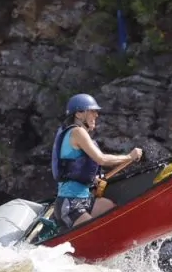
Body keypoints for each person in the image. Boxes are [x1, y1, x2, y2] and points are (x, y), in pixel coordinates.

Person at [50, 94, 143, 229]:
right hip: (70, 204)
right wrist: (129, 157)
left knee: (112, 209)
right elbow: (101, 159)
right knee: (102, 231)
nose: (96, 115)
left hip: (86, 199)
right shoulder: (77, 132)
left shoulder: (75, 133)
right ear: (79, 114)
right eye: (92, 111)